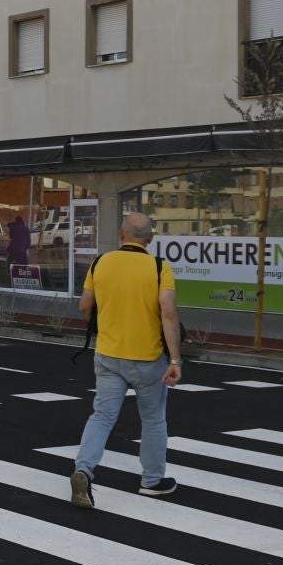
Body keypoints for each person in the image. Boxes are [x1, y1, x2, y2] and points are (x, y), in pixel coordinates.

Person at [67, 211, 183, 509]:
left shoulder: (101, 262)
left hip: (108, 355)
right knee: (153, 419)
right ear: (150, 239)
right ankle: (152, 481)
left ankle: (83, 470)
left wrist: (104, 322)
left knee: (102, 416)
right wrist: (175, 360)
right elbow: (169, 314)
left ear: (122, 235)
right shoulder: (159, 267)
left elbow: (84, 306)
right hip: (148, 359)